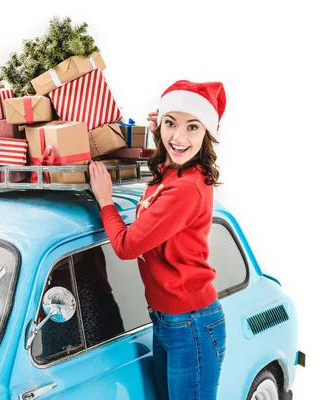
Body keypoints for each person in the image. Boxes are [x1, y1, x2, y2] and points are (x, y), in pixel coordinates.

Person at [88, 80, 227, 400]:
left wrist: (105, 201)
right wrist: (159, 134)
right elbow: (163, 168)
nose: (179, 137)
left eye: (192, 126)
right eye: (171, 124)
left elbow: (126, 246)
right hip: (168, 319)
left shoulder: (185, 188)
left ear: (207, 132)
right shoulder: (176, 172)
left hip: (190, 324)